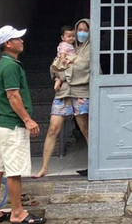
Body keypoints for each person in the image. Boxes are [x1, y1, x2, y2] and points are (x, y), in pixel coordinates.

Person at [0, 26, 46, 224]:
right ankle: (17, 212)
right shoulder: (10, 66)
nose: (22, 41)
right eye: (17, 38)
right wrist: (27, 119)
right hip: (12, 126)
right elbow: (13, 96)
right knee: (14, 171)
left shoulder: (5, 63)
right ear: (8, 43)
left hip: (3, 125)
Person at [33, 18, 91, 179]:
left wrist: (61, 75)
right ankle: (44, 167)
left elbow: (81, 68)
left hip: (80, 93)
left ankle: (94, 164)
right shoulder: (68, 47)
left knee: (85, 129)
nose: (81, 33)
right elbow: (54, 67)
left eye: (85, 30)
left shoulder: (89, 49)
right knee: (53, 128)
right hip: (63, 93)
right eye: (79, 29)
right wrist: (61, 72)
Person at [51, 25, 76, 93]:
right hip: (65, 61)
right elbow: (63, 52)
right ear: (62, 37)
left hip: (65, 60)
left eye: (73, 36)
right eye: (69, 36)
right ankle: (57, 84)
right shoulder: (65, 45)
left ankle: (57, 83)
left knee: (61, 75)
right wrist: (63, 58)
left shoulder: (66, 44)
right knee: (65, 73)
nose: (71, 38)